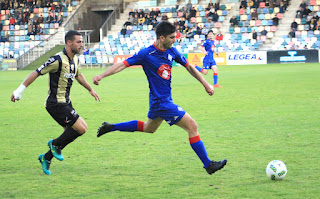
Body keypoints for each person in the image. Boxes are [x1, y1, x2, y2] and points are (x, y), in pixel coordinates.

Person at [92, 22, 227, 175]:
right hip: (161, 102)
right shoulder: (146, 54)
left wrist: (205, 84)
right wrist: (101, 75)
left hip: (159, 101)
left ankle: (110, 127)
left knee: (149, 128)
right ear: (161, 38)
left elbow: (189, 66)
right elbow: (122, 65)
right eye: (171, 37)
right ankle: (208, 164)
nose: (174, 40)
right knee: (192, 126)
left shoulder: (172, 51)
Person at [11, 30, 100, 175]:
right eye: (78, 42)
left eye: (82, 42)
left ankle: (46, 157)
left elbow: (78, 74)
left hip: (66, 102)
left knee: (77, 130)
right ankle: (54, 145)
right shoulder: (57, 60)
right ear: (69, 43)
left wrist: (90, 89)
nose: (81, 45)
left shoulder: (75, 59)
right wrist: (19, 90)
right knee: (81, 128)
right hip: (55, 104)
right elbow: (36, 72)